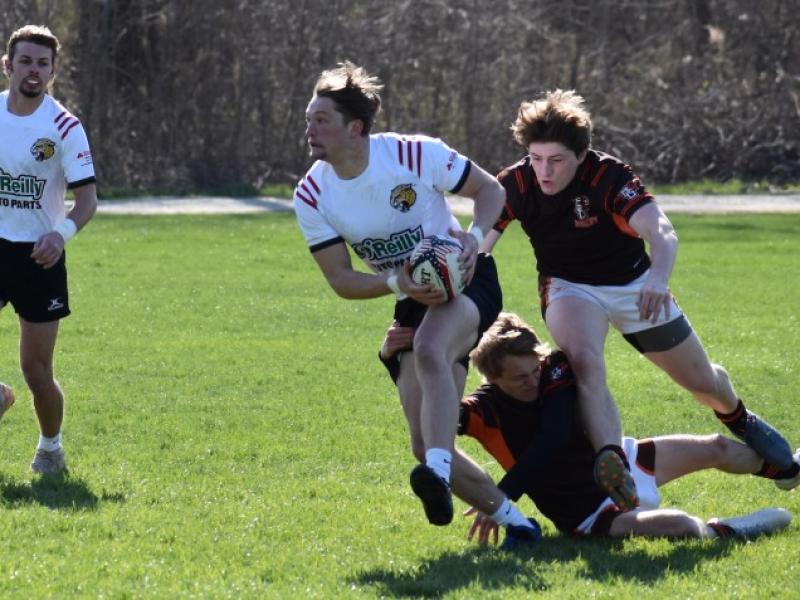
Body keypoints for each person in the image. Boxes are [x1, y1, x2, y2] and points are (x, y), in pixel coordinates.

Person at [481, 90, 798, 510]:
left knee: (703, 383)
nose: (544, 170)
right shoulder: (516, 183)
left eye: (555, 160)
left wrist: (658, 280)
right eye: (536, 158)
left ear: (581, 155)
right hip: (569, 287)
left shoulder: (608, 176)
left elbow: (661, 231)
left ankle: (739, 417)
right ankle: (612, 461)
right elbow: (480, 243)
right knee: (585, 362)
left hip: (636, 287)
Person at [293, 61, 540, 541]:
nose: (310, 130)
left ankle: (439, 475)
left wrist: (473, 241)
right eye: (308, 120)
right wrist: (398, 285)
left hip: (466, 280)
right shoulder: (312, 194)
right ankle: (519, 525)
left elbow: (490, 190)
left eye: (321, 120)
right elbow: (340, 279)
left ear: (355, 128)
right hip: (411, 296)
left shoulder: (413, 153)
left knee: (430, 349)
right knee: (424, 442)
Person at [382, 314, 797, 542]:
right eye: (519, 378)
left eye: (533, 369)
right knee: (682, 527)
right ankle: (734, 530)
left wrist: (503, 494)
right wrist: (392, 361)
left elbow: (557, 432)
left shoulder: (554, 368)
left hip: (616, 462)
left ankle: (785, 470)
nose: (532, 381)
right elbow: (426, 417)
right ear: (492, 378)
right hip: (586, 511)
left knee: (718, 447)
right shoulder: (482, 410)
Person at [0, 25, 97, 474]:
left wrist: (60, 235)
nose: (33, 71)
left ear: (53, 71)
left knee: (36, 372)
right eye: (25, 61)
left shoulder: (64, 127)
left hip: (39, 258)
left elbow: (87, 200)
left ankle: (51, 448)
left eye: (42, 63)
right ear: (8, 65)